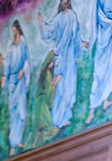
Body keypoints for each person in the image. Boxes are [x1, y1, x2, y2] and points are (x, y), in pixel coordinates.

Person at [38, 0, 87, 129]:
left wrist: (80, 43)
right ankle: (58, 118)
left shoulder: (72, 15)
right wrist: (42, 24)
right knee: (61, 88)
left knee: (70, 87)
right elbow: (49, 31)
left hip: (70, 57)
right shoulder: (58, 18)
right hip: (62, 57)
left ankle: (66, 116)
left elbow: (75, 34)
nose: (64, 2)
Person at [86, 0, 112, 124]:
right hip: (103, 38)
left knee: (108, 70)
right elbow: (101, 15)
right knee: (99, 74)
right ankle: (92, 109)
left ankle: (105, 101)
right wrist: (110, 20)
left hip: (109, 36)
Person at [1, 19, 30, 156]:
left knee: (21, 112)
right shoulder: (11, 47)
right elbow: (6, 64)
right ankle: (13, 142)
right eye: (11, 31)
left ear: (18, 30)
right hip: (13, 81)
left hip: (21, 80)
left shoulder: (23, 42)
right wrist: (4, 78)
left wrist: (23, 70)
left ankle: (19, 139)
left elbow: (26, 60)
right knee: (13, 113)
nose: (13, 33)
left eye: (14, 30)